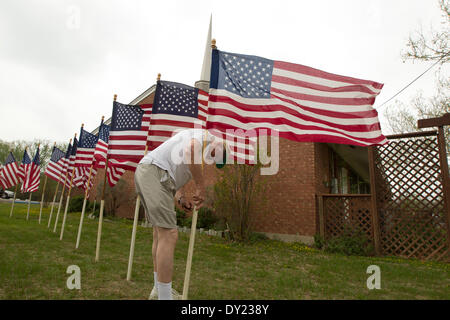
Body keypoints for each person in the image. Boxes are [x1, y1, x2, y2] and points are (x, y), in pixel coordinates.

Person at [134, 128, 227, 300]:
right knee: (169, 235)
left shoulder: (196, 148)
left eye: (216, 158)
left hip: (153, 174)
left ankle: (158, 290)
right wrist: (200, 186)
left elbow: (177, 175)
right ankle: (164, 297)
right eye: (216, 154)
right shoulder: (205, 136)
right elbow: (189, 150)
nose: (213, 158)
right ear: (219, 143)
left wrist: (181, 198)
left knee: (160, 234)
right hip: (155, 173)